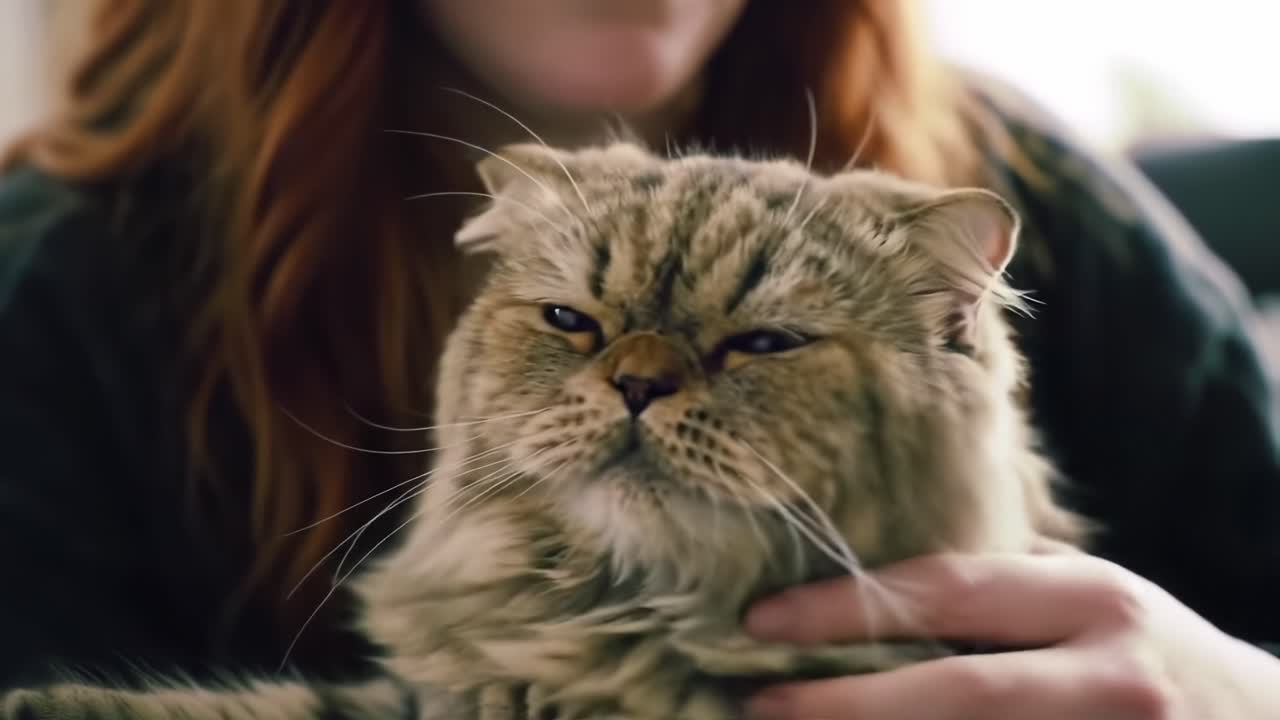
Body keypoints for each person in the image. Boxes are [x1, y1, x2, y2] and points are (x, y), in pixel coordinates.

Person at [1, 1, 1277, 717]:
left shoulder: (1029, 193)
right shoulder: (55, 284)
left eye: (763, 340)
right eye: (567, 321)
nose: (641, 378)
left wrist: (1234, 700)